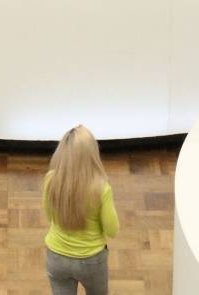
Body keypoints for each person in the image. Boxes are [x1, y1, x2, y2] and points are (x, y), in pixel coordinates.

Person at [42, 124, 119, 295]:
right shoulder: (101, 188)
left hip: (56, 257)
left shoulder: (50, 180)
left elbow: (49, 216)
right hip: (92, 261)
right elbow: (112, 230)